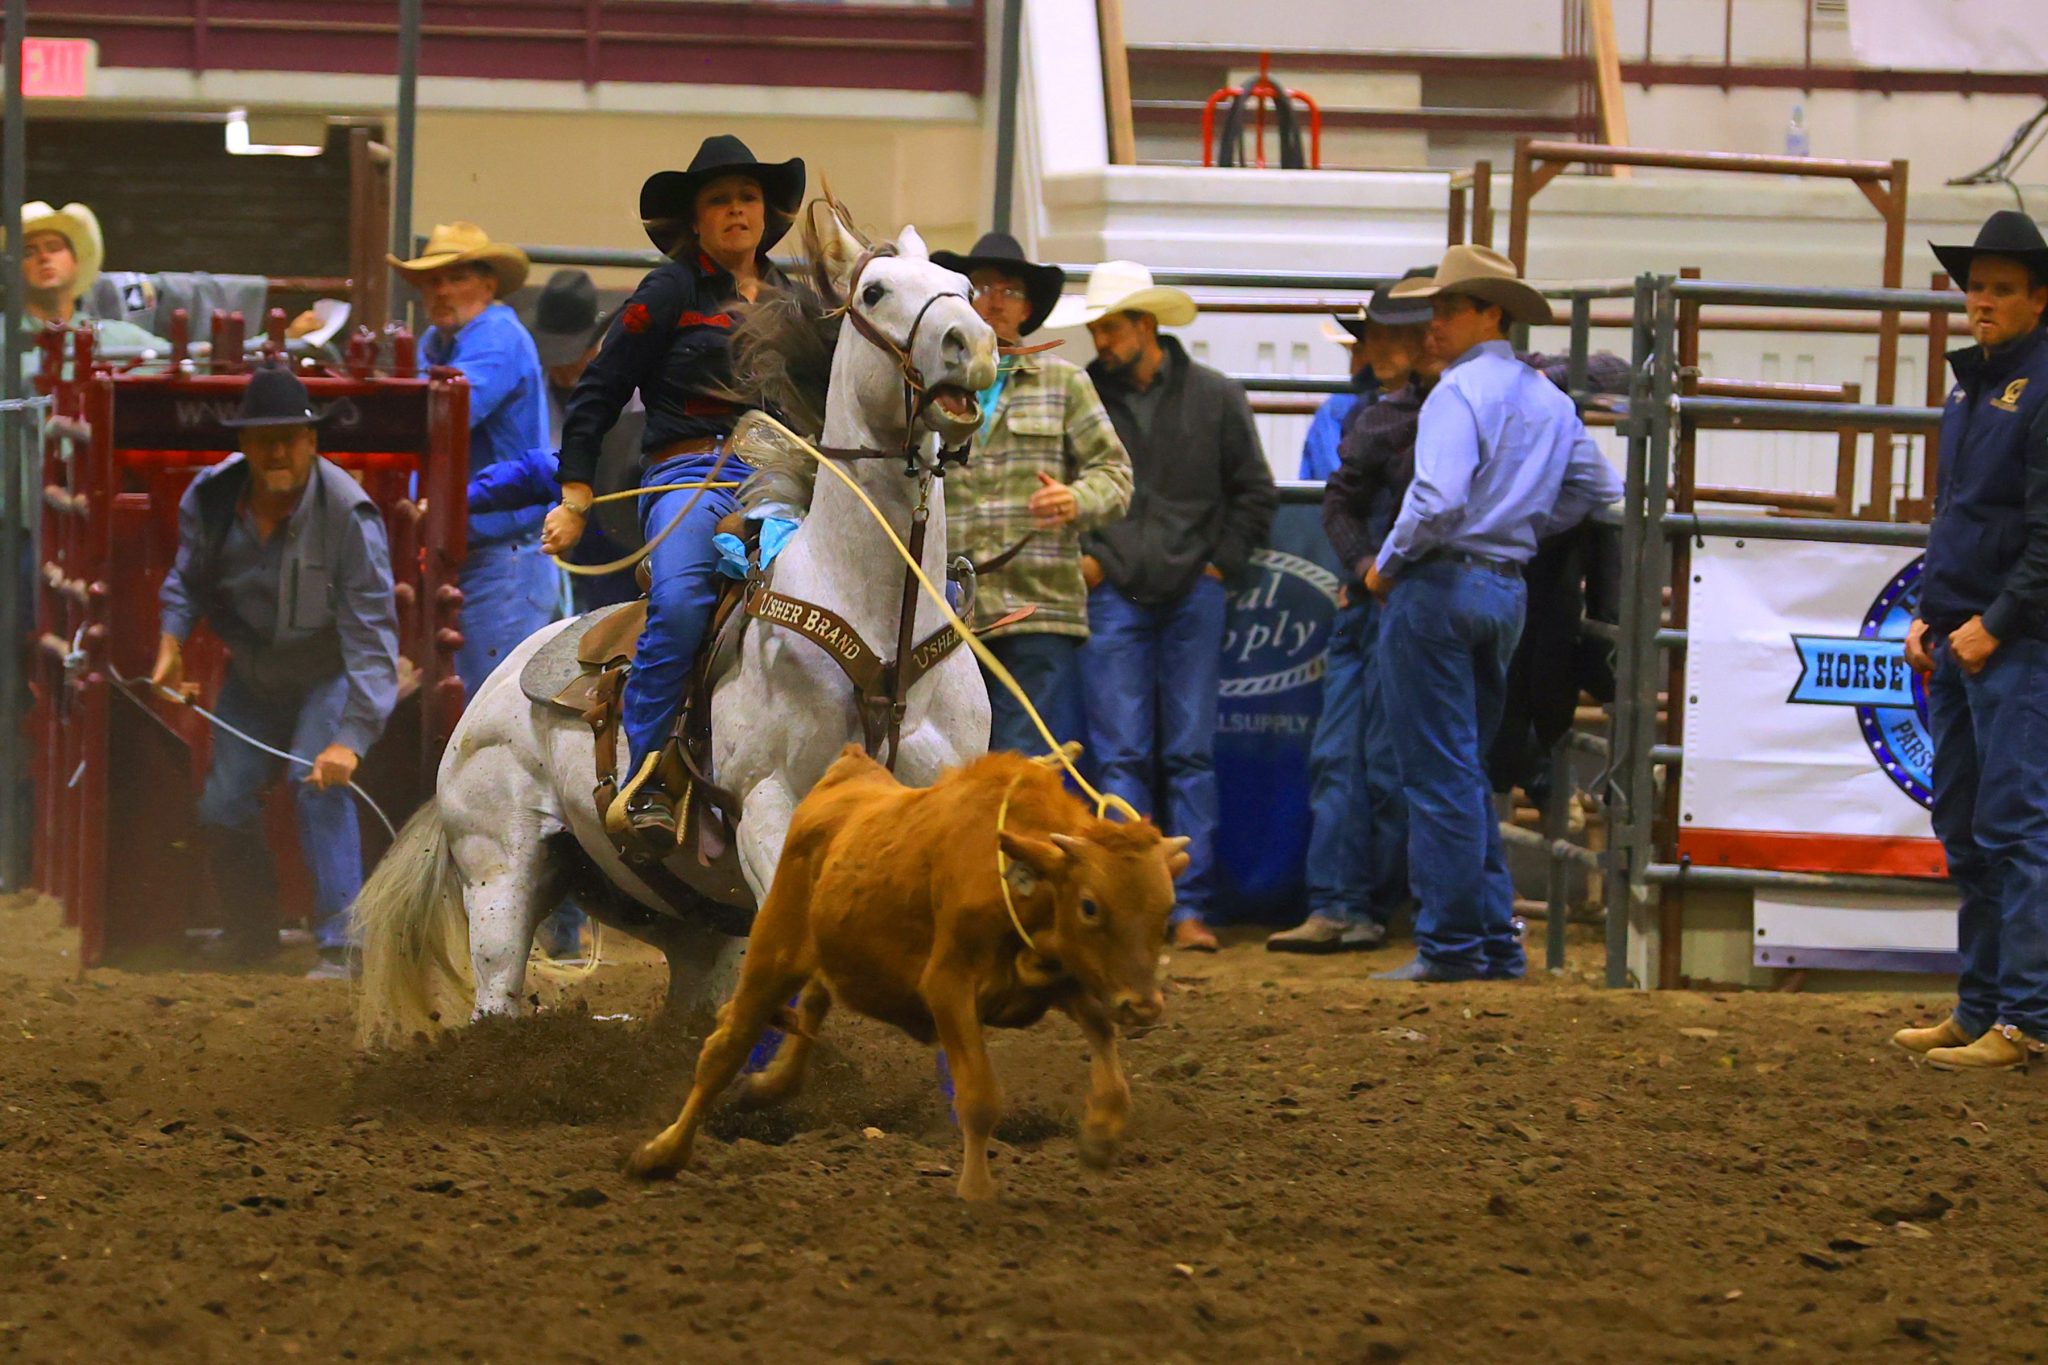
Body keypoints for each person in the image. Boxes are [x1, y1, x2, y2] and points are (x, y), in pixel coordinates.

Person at [1363, 246, 1622, 984]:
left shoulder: (1457, 392)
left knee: (1437, 774)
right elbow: (1598, 489)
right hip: (1504, 589)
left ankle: (1451, 944)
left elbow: (1437, 499)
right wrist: (1524, 524)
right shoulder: (1549, 400)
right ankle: (1494, 941)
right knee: (1464, 768)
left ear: (1490, 314)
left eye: (1449, 308)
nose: (1433, 323)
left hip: (1439, 588)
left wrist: (1389, 562)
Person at [545, 134, 805, 840]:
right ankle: (648, 773)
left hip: (785, 479)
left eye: (747, 197)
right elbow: (599, 389)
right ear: (696, 219)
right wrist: (575, 494)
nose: (736, 210)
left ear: (766, 212)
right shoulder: (669, 289)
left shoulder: (795, 302)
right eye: (719, 200)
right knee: (684, 602)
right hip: (691, 475)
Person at [1057, 261, 1277, 952]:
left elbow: (1254, 492)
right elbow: (1253, 492)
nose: (1101, 340)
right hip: (1142, 587)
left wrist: (1219, 563)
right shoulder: (1192, 393)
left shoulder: (1212, 396)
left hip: (1165, 589)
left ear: (1144, 325)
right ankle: (1164, 905)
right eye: (1097, 329)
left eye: (1110, 327)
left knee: (1167, 753)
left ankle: (1179, 904)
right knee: (1146, 753)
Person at [152, 367, 400, 979]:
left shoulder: (349, 515)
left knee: (318, 782)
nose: (277, 452)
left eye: (289, 437)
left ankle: (342, 946)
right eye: (263, 439)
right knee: (222, 804)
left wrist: (351, 737)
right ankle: (251, 934)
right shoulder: (211, 499)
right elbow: (186, 580)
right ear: (244, 444)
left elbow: (372, 637)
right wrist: (170, 643)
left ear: (311, 441)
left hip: (327, 670)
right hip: (254, 673)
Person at [1893, 210, 2048, 1070]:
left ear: (2038, 299)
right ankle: (1983, 1006)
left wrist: (1996, 621)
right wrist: (1930, 611)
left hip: (2013, 644)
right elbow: (1956, 515)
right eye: (1976, 288)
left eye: (2001, 289)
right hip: (1966, 639)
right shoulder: (1972, 388)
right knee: (1968, 824)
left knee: (2014, 828)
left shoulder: (2031, 389)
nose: (1982, 301)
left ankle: (2025, 1019)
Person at [1267, 273, 1433, 953]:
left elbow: (1341, 500)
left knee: (1383, 764)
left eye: (1392, 336)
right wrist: (1366, 568)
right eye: (1373, 337)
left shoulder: (1417, 410)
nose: (1376, 349)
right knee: (1344, 756)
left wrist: (1367, 568)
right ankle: (1346, 903)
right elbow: (1338, 501)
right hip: (1373, 599)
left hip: (1400, 603)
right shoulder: (1369, 412)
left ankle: (1373, 901)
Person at [929, 232, 1132, 753]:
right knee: (951, 764)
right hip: (945, 610)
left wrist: (1076, 499)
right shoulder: (930, 385)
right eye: (981, 287)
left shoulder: (1065, 383)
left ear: (1027, 309)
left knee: (1021, 767)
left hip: (1038, 606)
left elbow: (1114, 474)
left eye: (1011, 291)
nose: (995, 300)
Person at [388, 222, 555, 700]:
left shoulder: (496, 336)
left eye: (456, 278)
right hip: (467, 552)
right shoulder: (438, 343)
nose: (441, 291)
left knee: (487, 704)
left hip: (503, 557)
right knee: (460, 700)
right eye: (432, 281)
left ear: (488, 284)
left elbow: (445, 416)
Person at [9, 200, 168, 375]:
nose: (44, 257)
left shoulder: (120, 338)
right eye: (28, 252)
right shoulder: (5, 338)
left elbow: (182, 364)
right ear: (12, 268)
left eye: (54, 247)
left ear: (76, 261)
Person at [1297, 305, 1384, 480]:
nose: (1353, 364)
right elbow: (1333, 473)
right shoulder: (1338, 408)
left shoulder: (1337, 408)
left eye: (1358, 352)